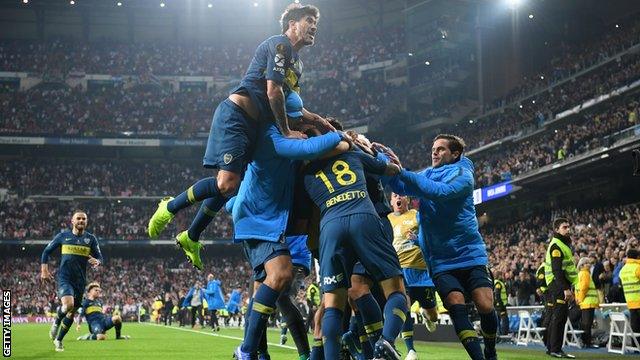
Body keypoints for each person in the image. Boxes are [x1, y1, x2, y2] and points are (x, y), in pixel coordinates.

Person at [147, 3, 331, 271]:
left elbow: (291, 101)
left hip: (255, 126)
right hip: (237, 116)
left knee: (229, 185)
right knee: (226, 183)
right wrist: (286, 131)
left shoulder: (297, 64)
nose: (314, 25)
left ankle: (192, 236)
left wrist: (317, 119)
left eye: (316, 20)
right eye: (308, 19)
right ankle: (170, 207)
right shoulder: (280, 45)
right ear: (292, 24)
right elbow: (273, 91)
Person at [228, 87, 347, 359]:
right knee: (279, 280)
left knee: (268, 288)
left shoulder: (290, 144)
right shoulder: (274, 136)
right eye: (295, 119)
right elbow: (311, 147)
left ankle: (255, 353)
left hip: (273, 225)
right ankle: (249, 351)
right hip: (260, 221)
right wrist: (340, 137)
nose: (300, 124)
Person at [386, 134, 498, 360]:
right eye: (433, 149)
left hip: (469, 254)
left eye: (440, 149)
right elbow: (397, 183)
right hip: (440, 261)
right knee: (455, 303)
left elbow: (439, 192)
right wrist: (380, 160)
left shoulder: (463, 174)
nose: (434, 152)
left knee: (485, 304)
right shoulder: (427, 174)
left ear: (455, 154)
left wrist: (403, 172)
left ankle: (490, 349)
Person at [302, 145, 406, 360]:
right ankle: (386, 341)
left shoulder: (303, 170)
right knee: (395, 289)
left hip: (330, 227)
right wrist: (392, 162)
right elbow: (390, 170)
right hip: (364, 218)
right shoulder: (353, 154)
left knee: (332, 302)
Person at [40, 210, 103, 352]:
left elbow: (100, 257)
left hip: (80, 281)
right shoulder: (63, 236)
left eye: (84, 219)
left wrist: (97, 261)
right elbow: (46, 252)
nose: (81, 221)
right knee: (68, 305)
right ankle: (56, 321)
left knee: (71, 312)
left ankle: (59, 340)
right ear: (72, 221)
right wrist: (44, 270)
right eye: (78, 218)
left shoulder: (91, 239)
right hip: (65, 278)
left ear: (86, 222)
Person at [387, 192, 438, 360]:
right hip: (400, 271)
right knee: (404, 305)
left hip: (422, 272)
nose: (398, 198)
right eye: (395, 196)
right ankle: (411, 350)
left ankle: (427, 315)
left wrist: (417, 239)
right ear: (391, 201)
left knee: (433, 315)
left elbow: (429, 238)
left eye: (401, 195)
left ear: (407, 199)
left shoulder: (416, 215)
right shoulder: (387, 220)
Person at [544, 218, 578, 358]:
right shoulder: (556, 245)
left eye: (568, 227)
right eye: (564, 227)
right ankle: (555, 349)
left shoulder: (563, 244)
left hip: (559, 283)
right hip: (557, 283)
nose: (568, 229)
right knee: (560, 317)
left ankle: (551, 348)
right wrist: (565, 288)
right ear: (557, 230)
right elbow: (557, 270)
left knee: (557, 317)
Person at [575, 257, 599, 348]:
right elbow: (584, 287)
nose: (590, 264)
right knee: (587, 324)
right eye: (587, 263)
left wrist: (578, 299)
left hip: (584, 302)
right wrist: (580, 299)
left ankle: (585, 342)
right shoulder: (585, 273)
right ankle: (587, 343)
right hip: (587, 302)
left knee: (585, 323)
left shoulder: (580, 274)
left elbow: (578, 289)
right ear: (582, 265)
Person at [620, 248, 640, 333]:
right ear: (637, 257)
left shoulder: (623, 269)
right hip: (639, 299)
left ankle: (634, 344)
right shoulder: (638, 267)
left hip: (630, 300)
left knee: (634, 323)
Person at [493, 271, 509, 336]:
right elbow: (497, 295)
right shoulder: (498, 284)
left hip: (497, 305)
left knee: (498, 320)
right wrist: (501, 305)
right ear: (499, 276)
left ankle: (498, 334)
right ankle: (504, 335)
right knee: (505, 320)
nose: (503, 276)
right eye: (502, 275)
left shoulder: (494, 282)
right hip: (500, 305)